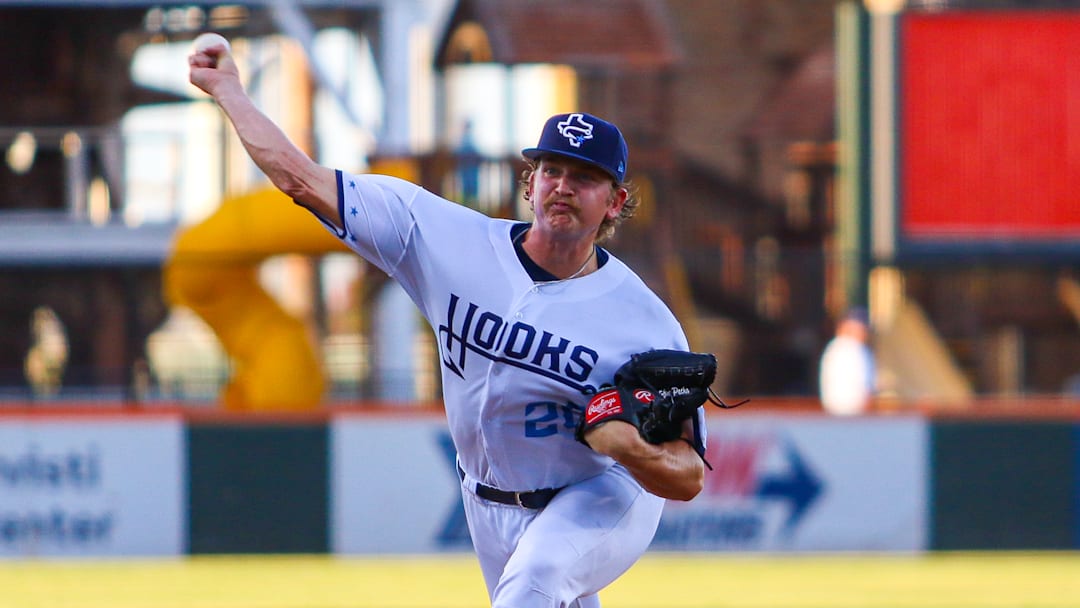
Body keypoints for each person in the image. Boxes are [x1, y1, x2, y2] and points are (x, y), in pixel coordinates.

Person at [189, 40, 707, 607]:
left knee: (533, 584)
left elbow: (688, 476)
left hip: (600, 493)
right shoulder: (445, 240)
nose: (562, 186)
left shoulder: (644, 322)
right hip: (485, 502)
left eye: (584, 177)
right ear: (528, 182)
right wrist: (230, 92)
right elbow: (301, 180)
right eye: (552, 169)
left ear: (615, 202)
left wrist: (630, 447)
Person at [819, 306, 877, 416]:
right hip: (852, 414)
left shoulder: (834, 347)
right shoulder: (851, 348)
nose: (864, 332)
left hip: (834, 414)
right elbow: (864, 390)